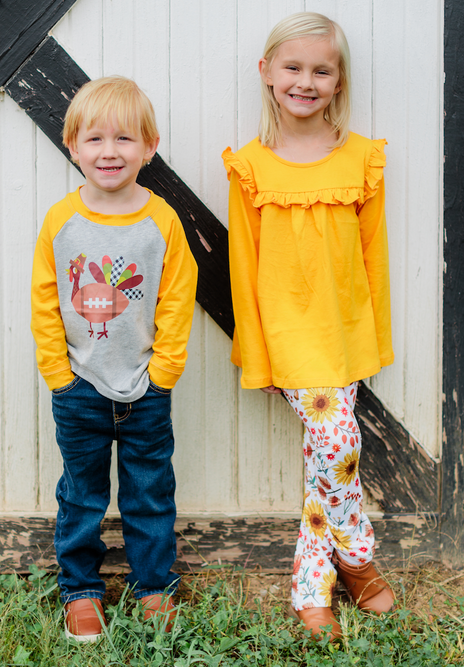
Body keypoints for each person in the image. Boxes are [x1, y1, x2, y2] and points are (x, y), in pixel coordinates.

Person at [222, 12, 395, 642]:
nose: (306, 81)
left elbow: (374, 259)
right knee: (339, 446)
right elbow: (243, 269)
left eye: (322, 69)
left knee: (327, 455)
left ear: (339, 79)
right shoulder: (250, 167)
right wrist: (258, 354)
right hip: (289, 334)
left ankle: (332, 577)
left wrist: (375, 336)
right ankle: (345, 565)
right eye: (293, 67)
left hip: (344, 330)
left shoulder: (361, 159)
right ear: (267, 73)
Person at [31, 76, 197, 642]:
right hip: (79, 386)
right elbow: (45, 300)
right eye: (94, 139)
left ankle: (153, 587)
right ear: (72, 146)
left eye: (124, 139)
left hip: (146, 389)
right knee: (82, 493)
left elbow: (178, 298)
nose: (109, 151)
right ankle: (81, 590)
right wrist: (59, 373)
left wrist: (164, 372)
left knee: (150, 490)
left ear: (149, 148)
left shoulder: (162, 222)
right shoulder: (62, 222)